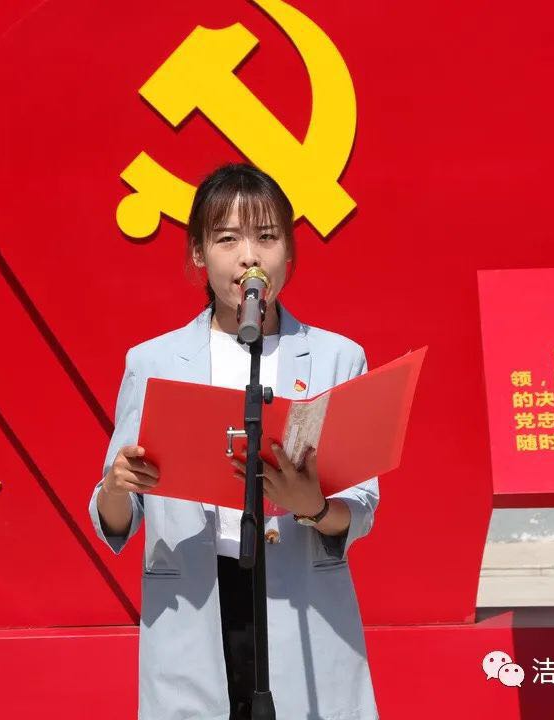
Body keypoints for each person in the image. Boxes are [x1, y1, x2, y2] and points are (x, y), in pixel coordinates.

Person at [88, 163, 379, 720]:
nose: (249, 257)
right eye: (227, 240)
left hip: (301, 599)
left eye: (266, 237)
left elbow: (362, 506)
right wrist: (116, 486)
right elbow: (117, 518)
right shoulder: (153, 363)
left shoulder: (337, 358)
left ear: (289, 253)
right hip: (195, 599)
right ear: (199, 254)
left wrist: (313, 506)